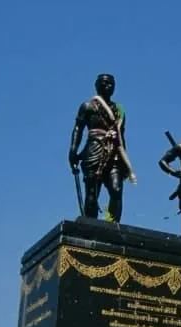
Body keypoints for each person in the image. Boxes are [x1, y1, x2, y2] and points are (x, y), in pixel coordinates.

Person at [68, 73, 137, 222]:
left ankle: (113, 224)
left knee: (116, 190)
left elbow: (121, 135)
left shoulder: (118, 110)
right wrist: (73, 150)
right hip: (94, 149)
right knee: (92, 192)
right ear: (97, 85)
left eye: (111, 84)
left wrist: (125, 160)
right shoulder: (88, 106)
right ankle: (91, 224)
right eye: (105, 83)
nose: (108, 86)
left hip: (114, 153)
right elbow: (78, 129)